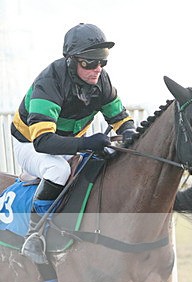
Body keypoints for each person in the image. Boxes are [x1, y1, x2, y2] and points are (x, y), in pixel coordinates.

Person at [10, 23, 136, 264]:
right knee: (58, 170)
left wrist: (130, 133)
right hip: (29, 142)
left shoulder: (102, 82)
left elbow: (121, 119)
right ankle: (34, 235)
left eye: (102, 62)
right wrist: (87, 143)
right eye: (89, 62)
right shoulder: (48, 83)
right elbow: (43, 141)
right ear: (71, 60)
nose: (97, 69)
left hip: (68, 142)